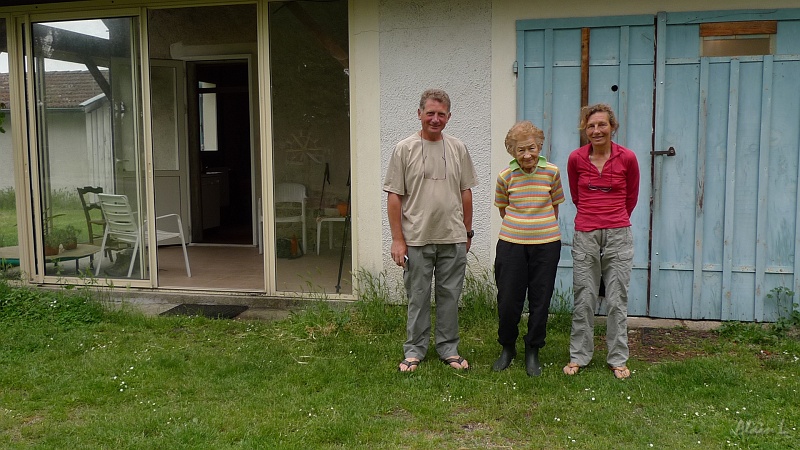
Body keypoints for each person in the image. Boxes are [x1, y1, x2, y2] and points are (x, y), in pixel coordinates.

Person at [383, 89, 478, 372]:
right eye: (430, 113)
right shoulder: (404, 148)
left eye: (441, 114)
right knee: (418, 297)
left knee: (450, 297)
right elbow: (394, 197)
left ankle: (449, 348)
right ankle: (414, 350)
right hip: (416, 239)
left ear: (449, 117)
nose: (435, 119)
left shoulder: (458, 148)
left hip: (453, 237)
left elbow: (466, 192)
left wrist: (468, 232)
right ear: (420, 114)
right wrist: (398, 240)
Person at [564, 104, 640, 379]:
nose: (596, 130)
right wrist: (593, 217)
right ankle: (579, 356)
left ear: (612, 127)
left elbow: (631, 196)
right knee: (583, 296)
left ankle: (618, 358)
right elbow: (576, 195)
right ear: (585, 129)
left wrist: (614, 218)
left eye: (601, 125)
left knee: (617, 298)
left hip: (619, 232)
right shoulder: (575, 159)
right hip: (585, 232)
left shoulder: (627, 158)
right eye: (591, 126)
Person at [492, 121, 565, 377]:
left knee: (540, 299)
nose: (527, 155)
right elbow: (503, 209)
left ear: (540, 146)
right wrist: (521, 227)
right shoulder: (505, 176)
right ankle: (507, 347)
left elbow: (555, 205)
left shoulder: (552, 172)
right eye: (520, 150)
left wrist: (539, 227)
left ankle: (533, 349)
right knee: (508, 300)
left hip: (546, 244)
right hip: (511, 244)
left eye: (531, 148)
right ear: (512, 152)